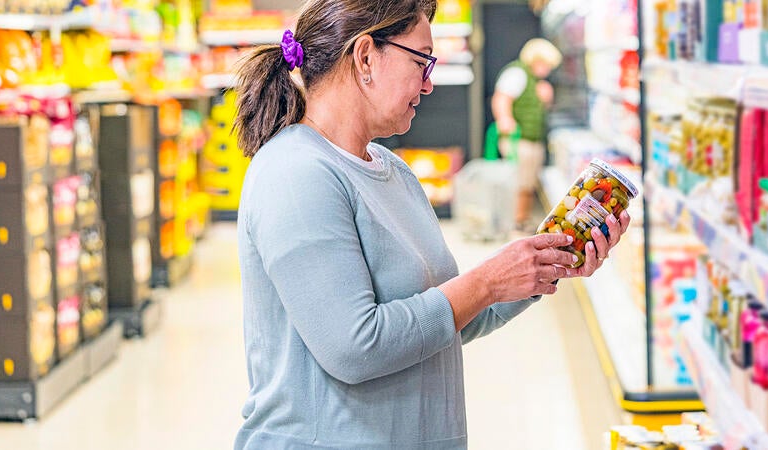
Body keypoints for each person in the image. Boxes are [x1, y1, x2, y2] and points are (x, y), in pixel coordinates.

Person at [231, 0, 630, 447]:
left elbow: (446, 318)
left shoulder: (390, 169)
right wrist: (486, 283)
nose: (429, 82)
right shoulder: (295, 172)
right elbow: (354, 347)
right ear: (366, 57)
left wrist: (541, 265)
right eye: (422, 60)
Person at [491, 38, 562, 232]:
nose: (547, 70)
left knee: (528, 182)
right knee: (520, 182)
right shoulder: (517, 73)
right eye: (546, 64)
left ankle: (522, 219)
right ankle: (516, 222)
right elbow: (501, 98)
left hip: (532, 139)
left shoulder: (535, 80)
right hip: (518, 140)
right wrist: (505, 119)